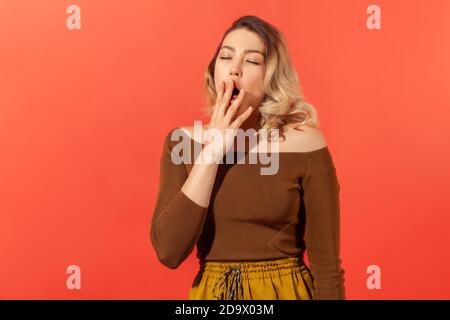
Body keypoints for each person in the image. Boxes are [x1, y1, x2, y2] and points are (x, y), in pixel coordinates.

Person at [150, 15, 346, 300]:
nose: (235, 70)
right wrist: (212, 152)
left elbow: (327, 268)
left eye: (252, 61)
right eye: (226, 57)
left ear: (271, 79)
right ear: (214, 70)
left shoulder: (305, 145)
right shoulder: (182, 142)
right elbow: (168, 251)